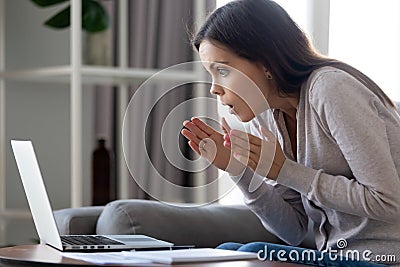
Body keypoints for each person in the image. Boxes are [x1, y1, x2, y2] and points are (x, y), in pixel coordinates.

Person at [181, 0, 400, 266]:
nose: (214, 88)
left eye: (223, 71)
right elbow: (293, 231)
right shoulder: (265, 114)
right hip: (332, 257)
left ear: (265, 62)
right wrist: (238, 169)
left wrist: (285, 170)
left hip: (385, 259)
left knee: (242, 252)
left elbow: (388, 202)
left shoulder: (330, 89)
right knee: (225, 252)